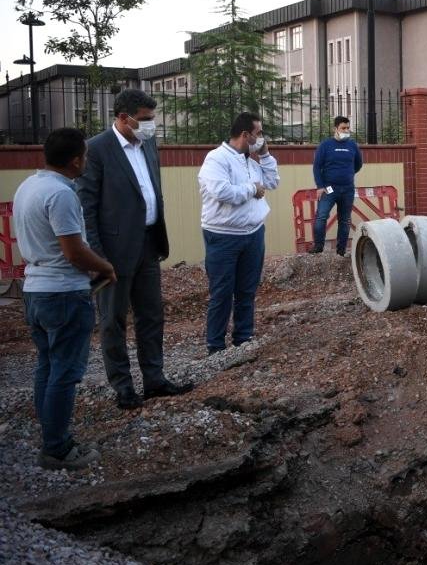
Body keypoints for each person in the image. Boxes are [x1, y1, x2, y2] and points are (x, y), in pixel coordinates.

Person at [78, 88, 193, 411]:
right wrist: (98, 258)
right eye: (145, 120)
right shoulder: (97, 150)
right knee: (113, 320)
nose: (151, 125)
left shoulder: (148, 143)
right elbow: (87, 206)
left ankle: (154, 380)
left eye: (152, 119)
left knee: (152, 314)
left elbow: (150, 188)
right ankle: (123, 387)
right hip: (113, 252)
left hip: (148, 243)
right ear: (123, 118)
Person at [14, 128, 116, 469]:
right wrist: (106, 267)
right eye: (85, 155)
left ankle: (51, 435)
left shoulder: (28, 186)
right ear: (76, 160)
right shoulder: (61, 195)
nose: (86, 160)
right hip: (63, 293)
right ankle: (57, 448)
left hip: (35, 291)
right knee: (65, 372)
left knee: (47, 365)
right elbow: (74, 252)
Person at [198, 113, 279, 354]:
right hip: (223, 236)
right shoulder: (216, 159)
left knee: (246, 290)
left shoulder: (251, 161)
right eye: (259, 134)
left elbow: (273, 182)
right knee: (222, 292)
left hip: (253, 233)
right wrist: (252, 188)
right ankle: (215, 346)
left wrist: (264, 154)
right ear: (245, 135)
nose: (261, 138)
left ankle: (243, 339)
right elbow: (223, 192)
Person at [308, 116, 363, 256]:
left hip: (348, 189)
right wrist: (320, 186)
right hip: (329, 189)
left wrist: (347, 173)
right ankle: (319, 246)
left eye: (347, 128)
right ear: (335, 129)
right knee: (321, 217)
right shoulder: (325, 145)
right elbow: (316, 167)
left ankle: (341, 250)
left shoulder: (353, 146)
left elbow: (358, 165)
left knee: (344, 221)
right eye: (343, 128)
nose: (346, 130)